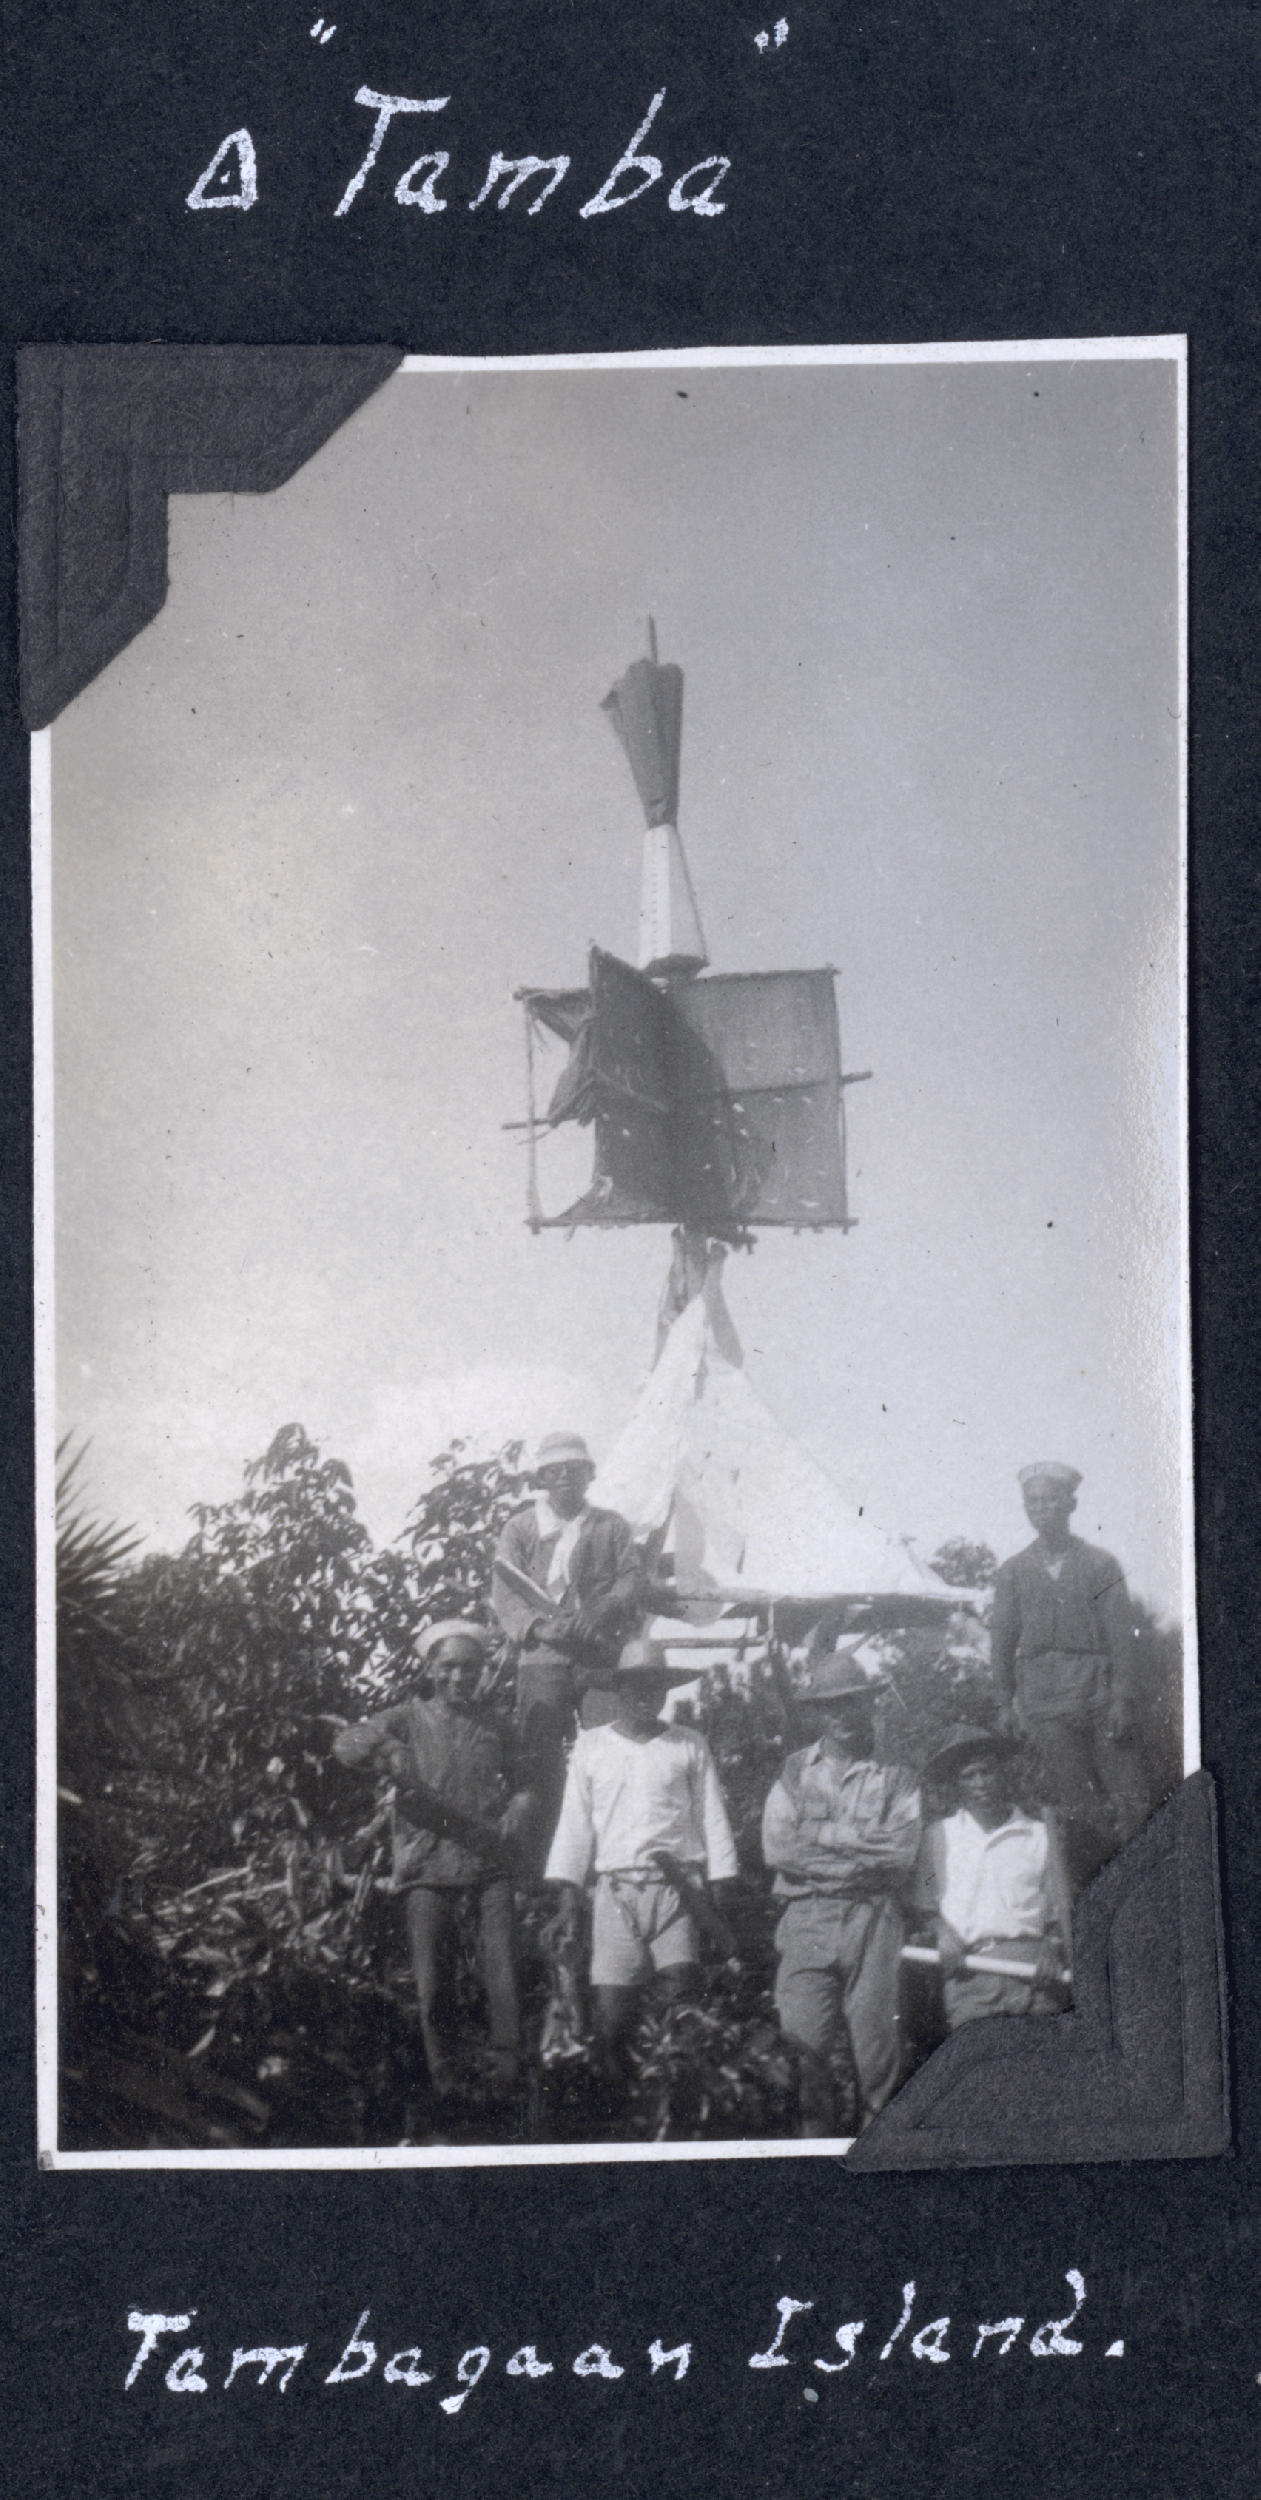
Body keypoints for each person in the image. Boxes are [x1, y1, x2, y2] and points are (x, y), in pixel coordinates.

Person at [331, 1619, 533, 2103]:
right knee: (433, 1980)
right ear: (429, 1669)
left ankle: (506, 2077)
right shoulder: (405, 1717)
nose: (462, 1676)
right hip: (426, 1861)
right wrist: (386, 1747)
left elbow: (527, 1780)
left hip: (490, 1858)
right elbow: (345, 1744)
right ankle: (446, 2080)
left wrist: (521, 1805)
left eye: (471, 1667)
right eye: (450, 1667)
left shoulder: (497, 1724)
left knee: (502, 1968)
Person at [544, 1636, 739, 2105]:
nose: (644, 1694)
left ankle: (678, 2108)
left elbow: (712, 1813)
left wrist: (719, 1886)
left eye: (655, 1684)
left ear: (666, 1690)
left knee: (680, 2002)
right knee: (612, 2015)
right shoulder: (592, 1747)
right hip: (615, 1892)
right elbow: (575, 1822)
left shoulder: (688, 1745)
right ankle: (619, 2112)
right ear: (618, 1689)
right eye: (634, 1685)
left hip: (677, 1891)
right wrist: (569, 1893)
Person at [761, 1652, 920, 2136]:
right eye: (832, 1705)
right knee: (802, 2050)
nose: (843, 1715)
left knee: (878, 2054)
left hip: (874, 1920)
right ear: (816, 1712)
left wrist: (821, 1848)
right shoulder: (793, 1772)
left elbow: (899, 1854)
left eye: (852, 1703)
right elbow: (777, 1849)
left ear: (868, 1706)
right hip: (806, 1921)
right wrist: (854, 1846)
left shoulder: (898, 1774)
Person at [989, 1461, 1148, 1890]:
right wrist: (1005, 1702)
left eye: (1050, 1500)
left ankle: (1147, 1894)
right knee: (1078, 1811)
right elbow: (1001, 1640)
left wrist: (1123, 1698)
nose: (1040, 1509)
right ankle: (1098, 1895)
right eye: (1032, 1502)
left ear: (1071, 1503)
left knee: (1132, 1801)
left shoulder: (1100, 1564)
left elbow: (1121, 1635)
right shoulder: (1013, 1572)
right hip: (1046, 1704)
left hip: (1098, 1696)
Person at [492, 1431, 644, 1863]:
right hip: (543, 1659)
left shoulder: (610, 1525)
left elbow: (632, 1576)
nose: (564, 1479)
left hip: (599, 1655)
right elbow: (506, 1594)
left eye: (574, 1470)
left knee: (612, 1749)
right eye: (554, 1471)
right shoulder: (520, 1528)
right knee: (541, 1761)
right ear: (541, 1478)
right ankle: (545, 1865)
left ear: (589, 1475)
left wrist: (602, 1610)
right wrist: (539, 1628)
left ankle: (615, 1856)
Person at [913, 1724, 1073, 2029]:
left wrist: (1053, 1949)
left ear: (1003, 1773)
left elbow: (1058, 1910)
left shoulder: (1039, 1835)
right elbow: (925, 1905)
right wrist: (942, 1933)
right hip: (970, 1977)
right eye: (968, 1776)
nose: (980, 1784)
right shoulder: (938, 1837)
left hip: (1034, 1974)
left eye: (987, 1772)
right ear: (956, 1785)